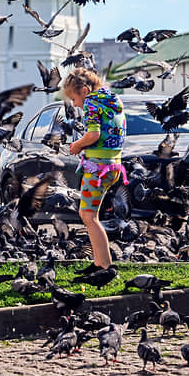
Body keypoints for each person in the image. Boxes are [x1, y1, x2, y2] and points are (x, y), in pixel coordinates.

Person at [61, 68, 127, 274]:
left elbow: (93, 134)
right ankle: (101, 262)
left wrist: (77, 146)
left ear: (84, 90)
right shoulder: (113, 100)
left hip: (97, 166)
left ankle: (104, 265)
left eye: (74, 98)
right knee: (90, 215)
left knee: (88, 216)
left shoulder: (91, 102)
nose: (75, 105)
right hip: (113, 165)